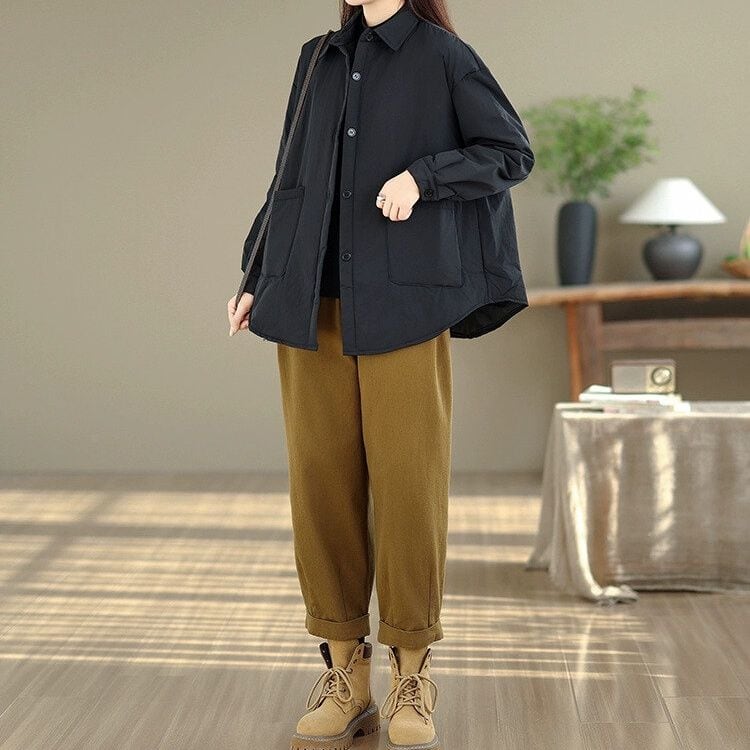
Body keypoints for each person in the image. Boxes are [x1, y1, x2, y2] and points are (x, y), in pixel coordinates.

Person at [227, 1, 534, 748]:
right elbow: (289, 178)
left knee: (408, 488)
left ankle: (412, 676)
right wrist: (256, 275)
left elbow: (509, 151)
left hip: (404, 305)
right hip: (311, 306)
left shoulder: (442, 56)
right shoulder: (316, 58)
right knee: (321, 488)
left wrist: (425, 177)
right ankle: (345, 674)